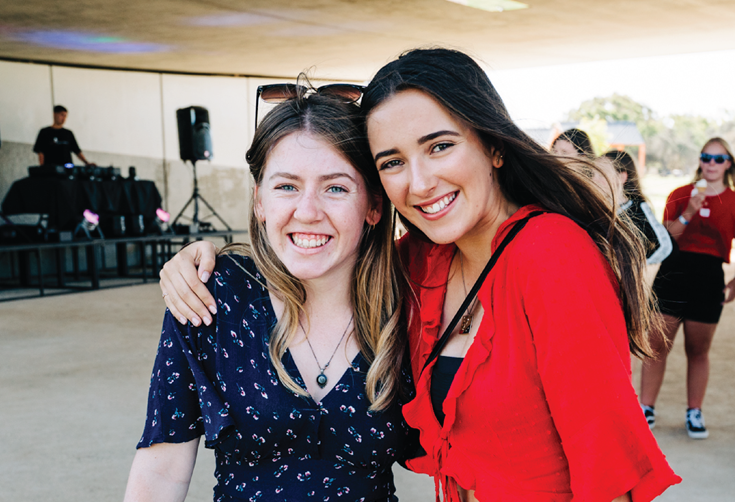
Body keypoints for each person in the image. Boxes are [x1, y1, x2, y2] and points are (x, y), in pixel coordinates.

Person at [159, 48, 680, 502]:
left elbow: (608, 463)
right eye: (392, 162)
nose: (420, 182)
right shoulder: (419, 263)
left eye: (439, 146)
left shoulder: (551, 253)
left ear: (493, 145)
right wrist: (200, 258)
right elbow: (322, 250)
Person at [125, 88, 414, 501]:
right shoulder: (211, 296)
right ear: (259, 200)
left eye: (335, 188)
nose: (308, 210)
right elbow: (161, 470)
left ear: (373, 205)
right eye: (286, 187)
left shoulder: (411, 304)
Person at [640, 137, 735, 439]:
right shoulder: (680, 194)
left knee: (698, 349)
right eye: (706, 157)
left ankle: (694, 411)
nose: (711, 164)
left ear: (729, 163)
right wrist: (689, 211)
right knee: (656, 345)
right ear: (700, 161)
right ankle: (645, 407)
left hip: (709, 276)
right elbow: (665, 237)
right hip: (674, 271)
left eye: (718, 159)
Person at [600, 149, 672, 265]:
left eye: (602, 174)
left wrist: (636, 269)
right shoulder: (597, 208)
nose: (594, 179)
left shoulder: (638, 209)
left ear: (622, 177)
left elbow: (663, 246)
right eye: (593, 173)